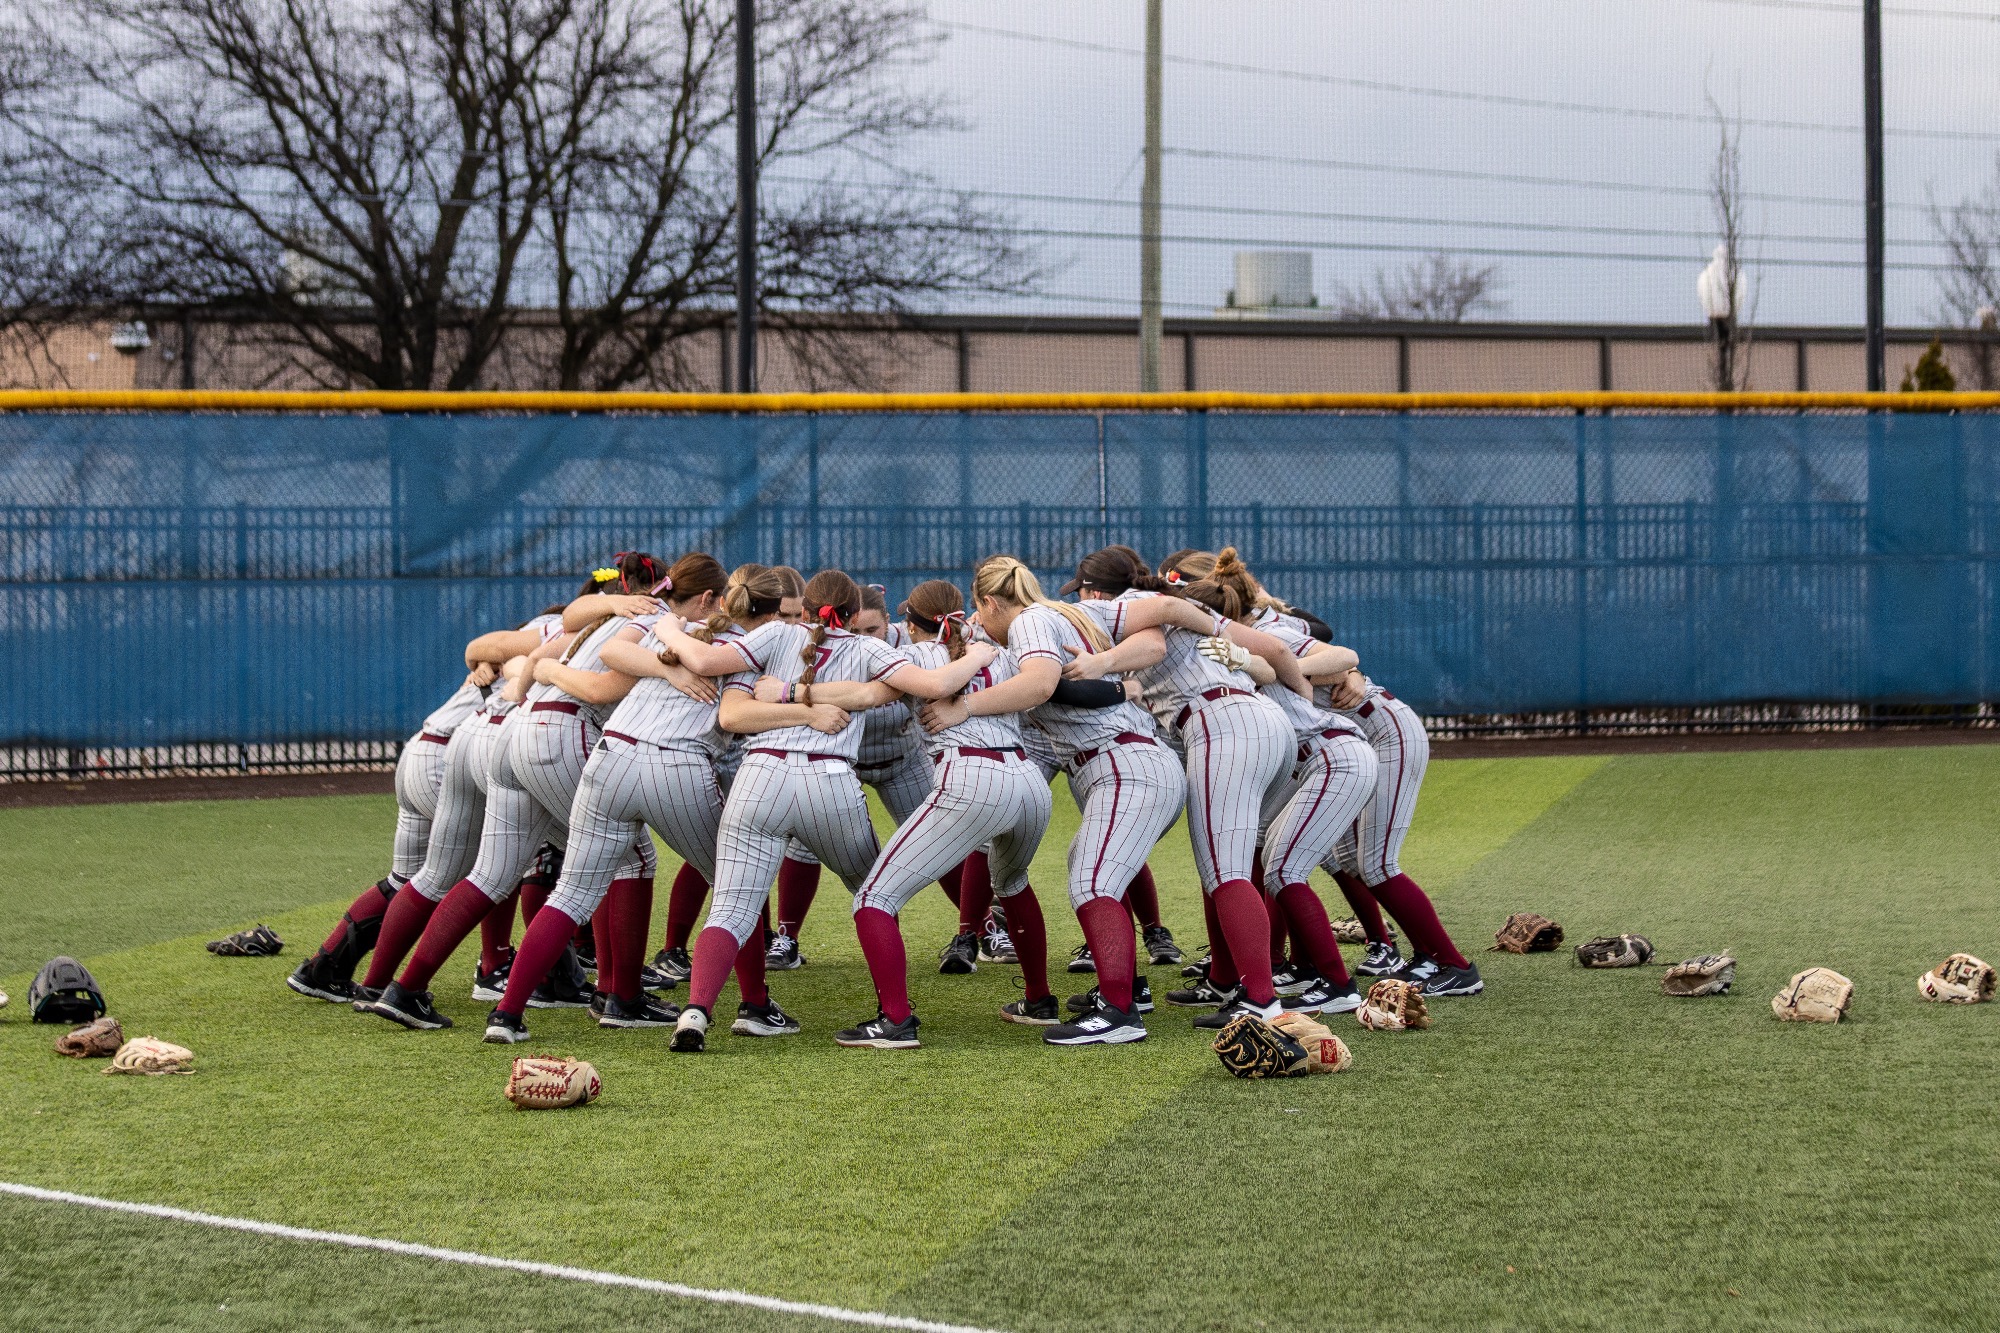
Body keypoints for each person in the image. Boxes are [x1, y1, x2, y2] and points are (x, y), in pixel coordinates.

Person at [654, 569, 995, 1053]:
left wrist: (669, 629)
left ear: (804, 609)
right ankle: (894, 1014)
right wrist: (980, 653)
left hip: (759, 778)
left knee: (730, 907)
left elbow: (711, 669)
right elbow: (934, 682)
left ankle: (696, 1013)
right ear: (855, 614)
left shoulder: (774, 632)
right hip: (829, 781)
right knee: (875, 896)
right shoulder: (868, 647)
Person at [361, 553, 667, 1030]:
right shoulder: (651, 621)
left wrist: (521, 675)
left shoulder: (594, 617)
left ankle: (395, 987)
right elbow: (574, 670)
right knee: (625, 856)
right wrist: (526, 673)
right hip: (532, 734)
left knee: (482, 874)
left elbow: (546, 638)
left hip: (491, 732)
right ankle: (614, 994)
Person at [483, 553, 753, 1041]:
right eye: (788, 613)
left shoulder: (657, 623)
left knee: (572, 889)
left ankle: (507, 1013)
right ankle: (752, 1005)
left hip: (608, 758)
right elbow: (696, 667)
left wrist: (668, 644)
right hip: (670, 763)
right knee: (738, 884)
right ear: (717, 600)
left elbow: (611, 650)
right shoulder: (744, 638)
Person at [917, 557, 1183, 1045]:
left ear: (990, 602)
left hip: (1123, 764)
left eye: (982, 610)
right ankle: (1127, 990)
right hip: (1130, 761)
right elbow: (1143, 643)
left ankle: (1120, 1015)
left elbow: (1039, 684)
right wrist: (1118, 681)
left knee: (1093, 879)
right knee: (1099, 873)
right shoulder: (1064, 611)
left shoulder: (1031, 619)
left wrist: (965, 707)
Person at [783, 579, 1056, 1049]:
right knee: (1012, 884)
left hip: (970, 779)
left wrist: (788, 694)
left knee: (873, 899)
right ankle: (1039, 999)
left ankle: (895, 1020)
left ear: (910, 625)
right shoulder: (1003, 655)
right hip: (1029, 781)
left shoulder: (910, 658)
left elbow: (866, 697)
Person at [1058, 546, 1316, 1032]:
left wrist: (1099, 663)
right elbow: (1277, 653)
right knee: (1235, 863)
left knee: (1227, 871)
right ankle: (1240, 984)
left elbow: (1153, 646)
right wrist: (1304, 711)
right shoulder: (1170, 605)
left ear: (1097, 592)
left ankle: (1262, 1001)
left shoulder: (1138, 607)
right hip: (1261, 724)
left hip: (1221, 725)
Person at [1167, 548, 1378, 1015]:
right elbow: (1261, 666)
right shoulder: (1220, 646)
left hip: (1331, 752)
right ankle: (1253, 976)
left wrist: (1298, 674)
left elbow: (1338, 653)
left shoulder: (1265, 629)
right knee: (1245, 859)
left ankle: (1336, 981)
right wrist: (1250, 662)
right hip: (1307, 756)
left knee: (1285, 867)